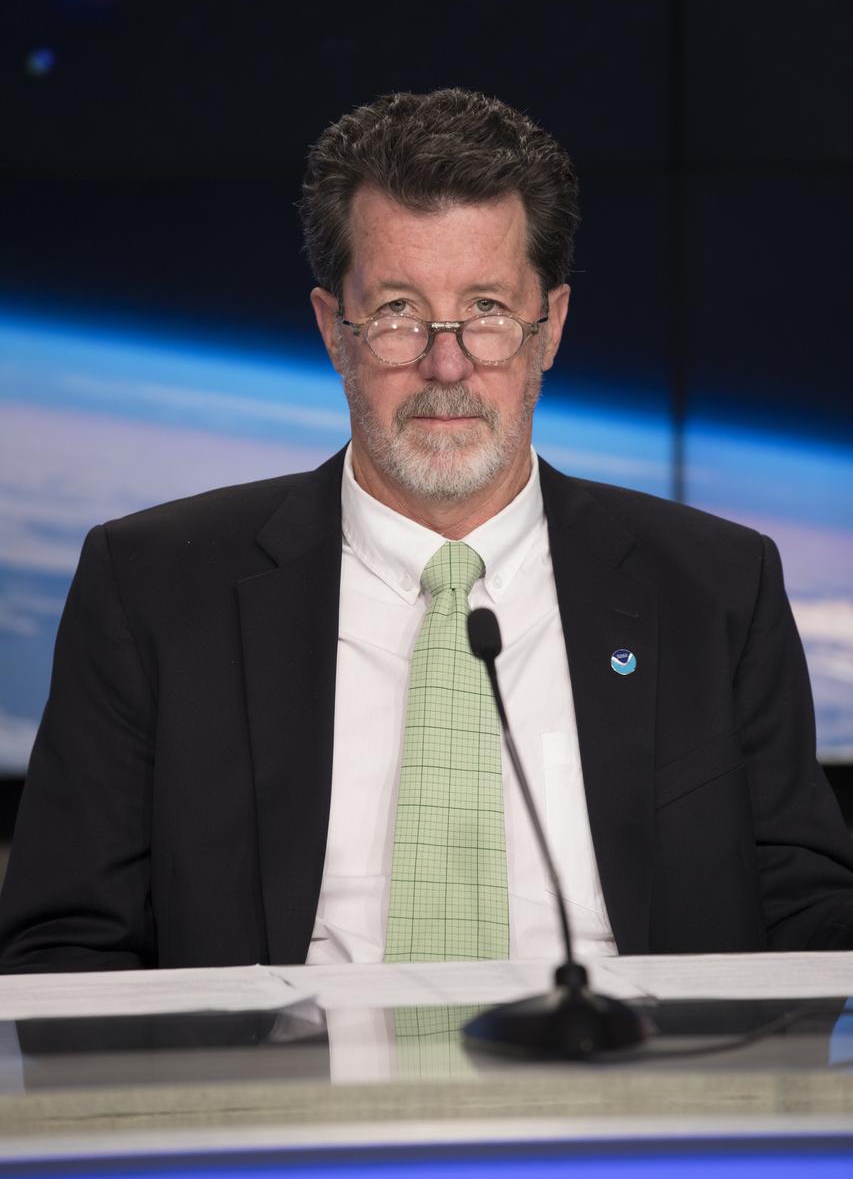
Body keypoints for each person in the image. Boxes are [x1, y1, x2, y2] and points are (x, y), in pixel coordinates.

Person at [1, 88, 851, 974]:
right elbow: (64, 945)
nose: (446, 364)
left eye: (486, 309)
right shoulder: (150, 587)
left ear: (549, 327)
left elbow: (803, 917)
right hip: (275, 1066)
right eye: (398, 312)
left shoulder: (716, 587)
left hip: (635, 1059)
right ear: (333, 330)